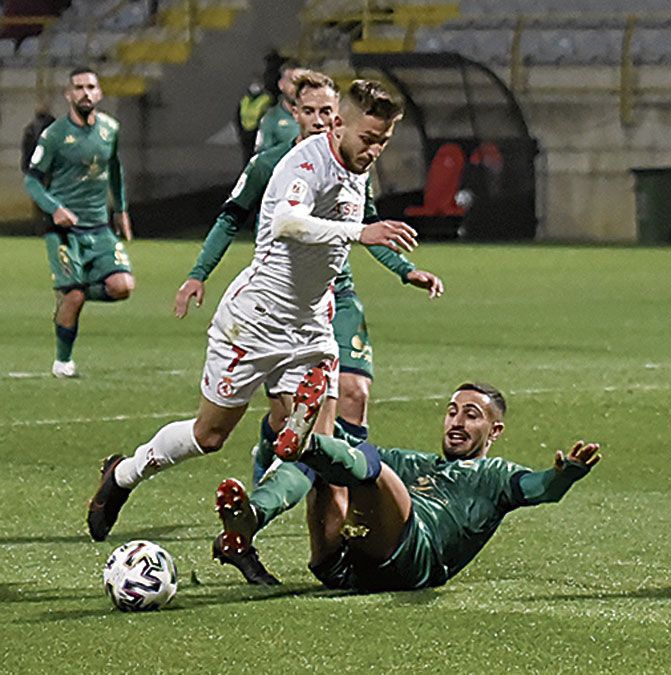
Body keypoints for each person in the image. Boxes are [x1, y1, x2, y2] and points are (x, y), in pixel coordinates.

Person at [85, 79, 419, 543]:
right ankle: (122, 476)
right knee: (209, 436)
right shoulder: (305, 162)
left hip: (310, 326)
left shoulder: (357, 163)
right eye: (369, 138)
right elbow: (286, 221)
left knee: (314, 443)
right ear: (339, 123)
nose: (376, 150)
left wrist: (400, 266)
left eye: (384, 141)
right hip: (255, 321)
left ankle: (260, 525)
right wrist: (361, 233)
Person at [174, 70, 444, 490]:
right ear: (295, 113)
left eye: (327, 110)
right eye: (311, 111)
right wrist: (198, 274)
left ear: (338, 115)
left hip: (336, 295)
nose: (319, 119)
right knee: (269, 424)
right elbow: (236, 219)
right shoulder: (276, 164)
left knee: (353, 395)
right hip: (277, 304)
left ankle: (342, 497)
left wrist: (406, 271)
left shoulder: (357, 163)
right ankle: (273, 470)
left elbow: (372, 227)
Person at [212, 380, 601, 589]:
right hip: (342, 567)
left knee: (370, 465)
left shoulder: (494, 476)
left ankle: (305, 441)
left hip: (416, 562)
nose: (457, 422)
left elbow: (539, 488)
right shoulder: (417, 462)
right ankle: (252, 516)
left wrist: (564, 474)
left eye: (471, 415)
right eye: (452, 413)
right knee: (331, 470)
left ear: (494, 430)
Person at [23, 67, 135, 379]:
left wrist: (121, 210)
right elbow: (32, 181)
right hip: (62, 231)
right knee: (73, 296)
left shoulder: (110, 129)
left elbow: (115, 170)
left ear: (99, 93)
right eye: (78, 87)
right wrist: (54, 208)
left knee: (123, 286)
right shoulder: (55, 135)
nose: (85, 93)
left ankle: (72, 291)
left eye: (91, 87)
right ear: (68, 95)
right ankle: (63, 362)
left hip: (99, 227)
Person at [256, 62, 301, 153]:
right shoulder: (271, 119)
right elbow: (263, 157)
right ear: (281, 84)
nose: (298, 87)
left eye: (302, 83)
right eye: (293, 82)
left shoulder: (318, 117)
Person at [236, 81, 272, 166]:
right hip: (246, 131)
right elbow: (238, 115)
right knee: (247, 154)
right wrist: (240, 130)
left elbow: (269, 115)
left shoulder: (266, 99)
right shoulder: (245, 100)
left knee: (258, 154)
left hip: (258, 131)